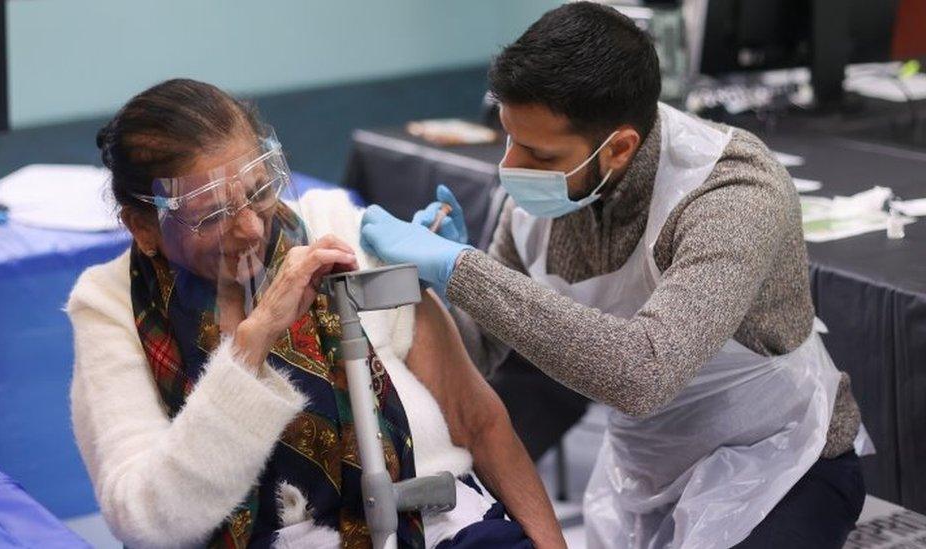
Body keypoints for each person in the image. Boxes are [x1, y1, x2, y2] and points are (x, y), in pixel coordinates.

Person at [359, 3, 870, 548]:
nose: (512, 166)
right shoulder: (541, 198)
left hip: (779, 464)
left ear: (620, 148)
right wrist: (438, 296)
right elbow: (479, 349)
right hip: (642, 475)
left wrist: (464, 269)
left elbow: (643, 374)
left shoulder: (732, 193)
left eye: (537, 151)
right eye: (509, 137)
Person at [67, 78, 564, 549]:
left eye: (259, 191)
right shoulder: (113, 307)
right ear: (143, 227)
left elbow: (475, 418)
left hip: (436, 523)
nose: (249, 230)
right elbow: (146, 520)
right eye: (212, 215)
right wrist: (253, 341)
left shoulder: (333, 229)